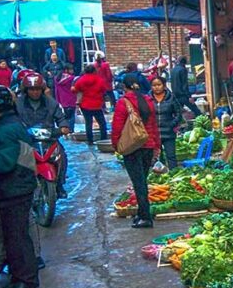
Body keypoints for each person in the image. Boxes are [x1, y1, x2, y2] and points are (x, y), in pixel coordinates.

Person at [0, 84, 39, 288]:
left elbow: (4, 162)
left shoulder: (5, 130)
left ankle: (25, 280)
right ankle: (23, 274)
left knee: (16, 237)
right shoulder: (10, 122)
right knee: (18, 235)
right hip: (17, 186)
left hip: (14, 188)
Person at [111, 74, 161, 228]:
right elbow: (154, 126)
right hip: (148, 146)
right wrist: (156, 146)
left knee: (139, 183)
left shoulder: (123, 103)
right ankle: (141, 213)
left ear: (124, 87)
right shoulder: (148, 101)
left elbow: (117, 127)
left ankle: (145, 217)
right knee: (142, 181)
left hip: (132, 148)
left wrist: (116, 145)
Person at [15, 73, 70, 198]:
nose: (35, 92)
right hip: (27, 140)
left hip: (48, 139)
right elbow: (13, 119)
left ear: (42, 89)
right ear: (26, 90)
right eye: (31, 89)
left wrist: (64, 126)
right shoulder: (18, 104)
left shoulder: (51, 103)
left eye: (37, 89)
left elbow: (60, 117)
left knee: (62, 156)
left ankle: (60, 184)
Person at [149, 76, 182, 169]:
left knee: (171, 156)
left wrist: (172, 124)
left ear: (164, 86)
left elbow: (178, 113)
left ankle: (173, 174)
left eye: (159, 85)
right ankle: (159, 177)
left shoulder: (171, 98)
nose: (156, 87)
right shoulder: (148, 99)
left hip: (168, 133)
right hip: (154, 134)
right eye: (154, 85)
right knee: (157, 158)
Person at [73, 64, 109, 144]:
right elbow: (104, 90)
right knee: (102, 123)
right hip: (97, 105)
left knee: (88, 123)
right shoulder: (99, 80)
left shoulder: (81, 80)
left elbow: (75, 89)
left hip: (85, 105)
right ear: (94, 71)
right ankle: (103, 139)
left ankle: (90, 140)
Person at [54, 64, 78, 130]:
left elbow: (56, 90)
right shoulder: (72, 78)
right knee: (72, 116)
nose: (72, 71)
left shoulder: (57, 79)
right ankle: (71, 130)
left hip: (62, 100)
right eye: (71, 69)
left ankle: (65, 130)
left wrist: (58, 100)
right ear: (66, 70)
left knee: (65, 117)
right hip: (71, 99)